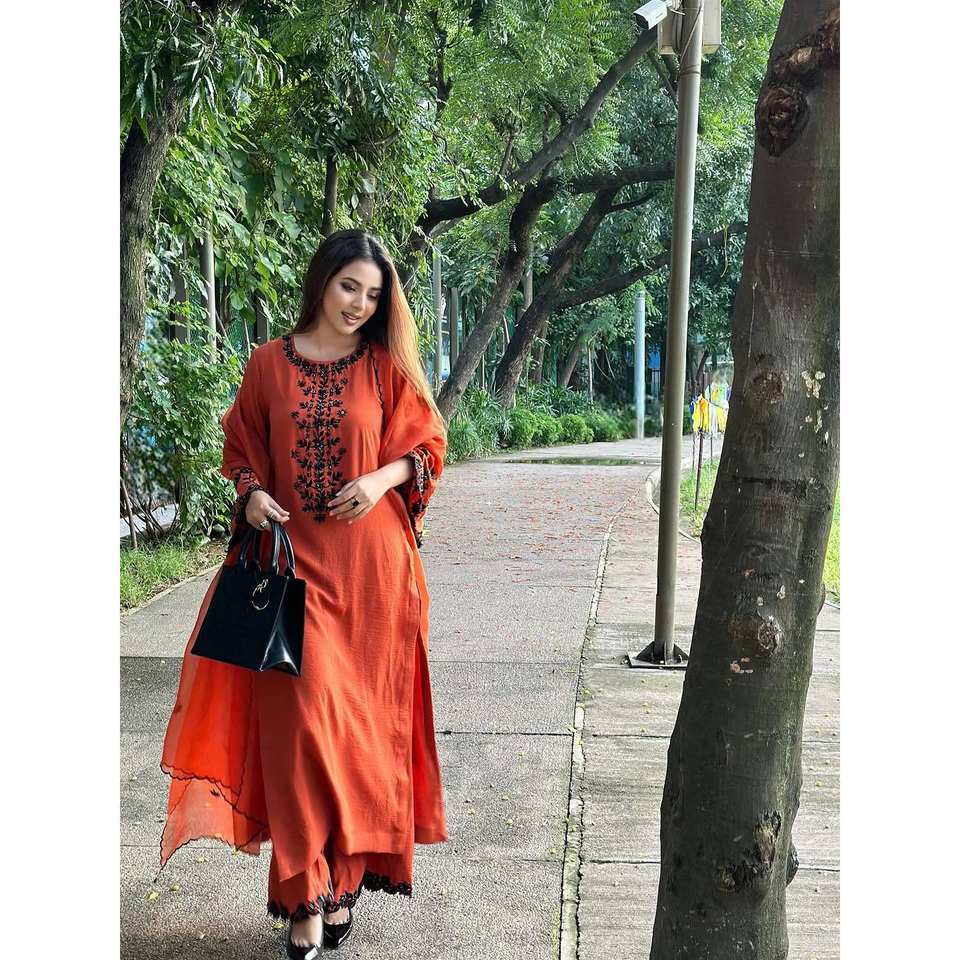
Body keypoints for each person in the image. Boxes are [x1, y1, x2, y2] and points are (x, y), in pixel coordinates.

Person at [156, 230, 450, 958]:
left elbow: (427, 446)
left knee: (352, 744)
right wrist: (252, 495)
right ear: (322, 281)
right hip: (291, 575)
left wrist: (380, 478)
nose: (359, 304)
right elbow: (241, 451)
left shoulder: (383, 367)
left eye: (373, 295)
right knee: (298, 741)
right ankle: (303, 896)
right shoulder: (267, 364)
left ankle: (337, 883)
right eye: (349, 286)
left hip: (372, 578)